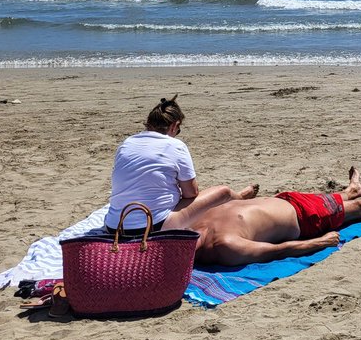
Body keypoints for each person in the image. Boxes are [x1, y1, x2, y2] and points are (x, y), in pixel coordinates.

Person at [179, 169, 361, 265]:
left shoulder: (187, 226)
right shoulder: (224, 247)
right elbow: (277, 251)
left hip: (284, 200)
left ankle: (351, 190)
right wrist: (319, 242)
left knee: (336, 199)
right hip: (304, 218)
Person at [104, 96, 257, 236]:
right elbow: (191, 193)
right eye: (178, 130)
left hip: (114, 226)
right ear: (174, 126)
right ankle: (240, 198)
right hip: (154, 226)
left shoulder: (126, 143)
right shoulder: (175, 145)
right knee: (223, 192)